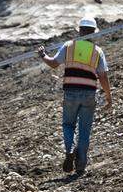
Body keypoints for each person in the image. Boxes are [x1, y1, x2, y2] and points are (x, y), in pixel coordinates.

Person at [38, 17, 113, 177]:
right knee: (84, 130)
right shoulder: (97, 51)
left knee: (68, 124)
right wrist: (108, 96)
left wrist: (43, 55)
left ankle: (70, 150)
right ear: (93, 32)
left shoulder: (69, 46)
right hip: (89, 93)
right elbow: (103, 77)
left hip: (70, 92)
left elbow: (53, 63)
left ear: (79, 30)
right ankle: (80, 166)